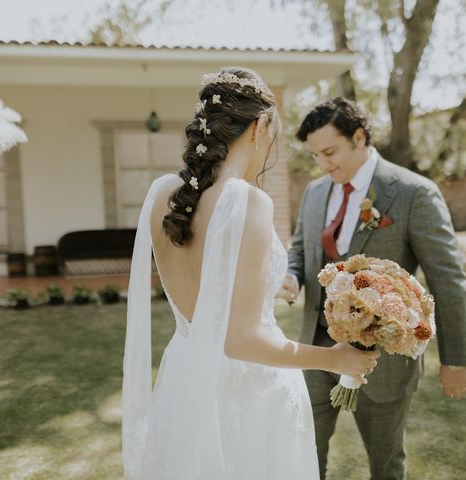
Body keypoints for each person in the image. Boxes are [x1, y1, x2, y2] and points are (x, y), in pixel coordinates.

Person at [121, 68, 380, 480]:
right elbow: (240, 341)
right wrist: (334, 359)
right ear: (260, 126)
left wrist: (265, 288)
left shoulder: (162, 195)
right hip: (249, 394)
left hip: (185, 381)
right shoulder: (248, 202)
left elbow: (206, 291)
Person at [278, 97, 466, 480]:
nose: (323, 164)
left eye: (330, 152)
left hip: (385, 357)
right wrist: (292, 275)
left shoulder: (414, 192)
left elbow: (447, 279)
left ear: (360, 136)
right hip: (316, 350)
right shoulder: (315, 193)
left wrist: (456, 360)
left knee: (385, 465)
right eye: (316, 155)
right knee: (304, 453)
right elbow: (300, 249)